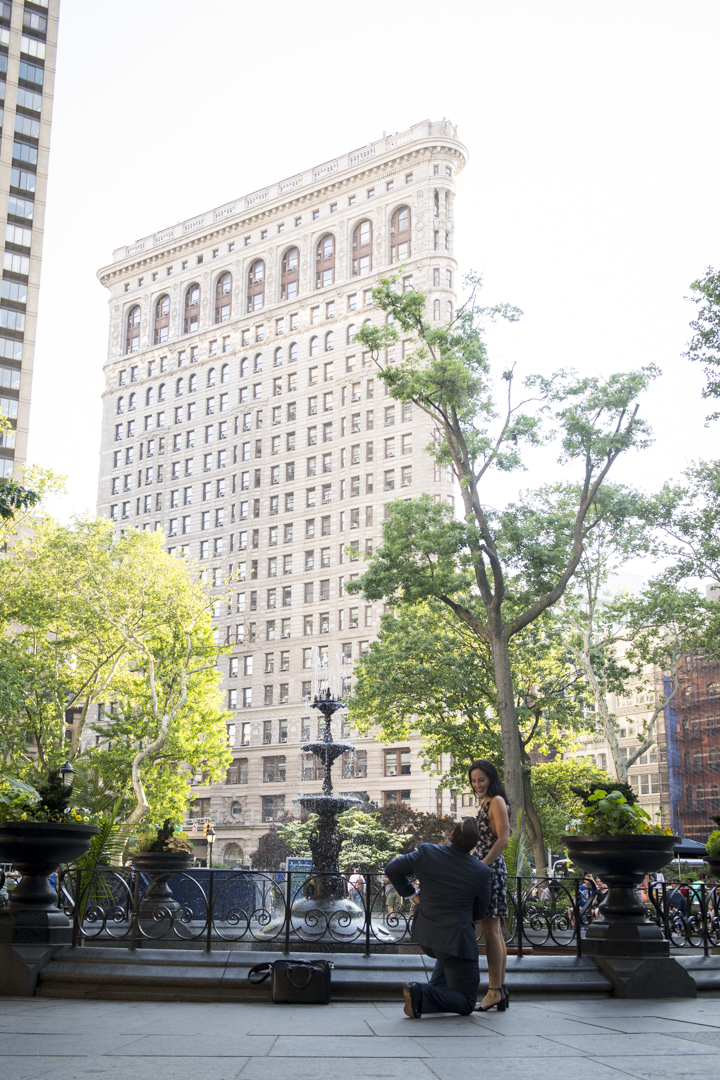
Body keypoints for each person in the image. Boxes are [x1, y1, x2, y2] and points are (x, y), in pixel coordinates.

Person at [384, 817, 492, 1018]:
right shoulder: (481, 872)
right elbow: (480, 911)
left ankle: (424, 997)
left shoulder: (428, 852)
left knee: (446, 961)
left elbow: (392, 869)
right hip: (457, 942)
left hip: (427, 934)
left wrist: (414, 895)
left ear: (451, 836)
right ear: (475, 844)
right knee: (467, 1001)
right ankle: (420, 993)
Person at [468, 759, 510, 1012]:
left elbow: (504, 839)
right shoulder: (486, 802)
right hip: (487, 868)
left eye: (481, 779)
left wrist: (482, 866)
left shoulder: (496, 801)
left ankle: (494, 990)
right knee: (493, 929)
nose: (477, 784)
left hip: (490, 869)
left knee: (491, 930)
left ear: (491, 778)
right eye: (473, 781)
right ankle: (500, 988)